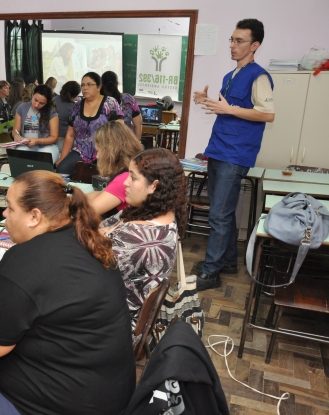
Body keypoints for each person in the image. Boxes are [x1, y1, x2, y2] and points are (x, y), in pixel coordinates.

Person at [0, 170, 135, 415]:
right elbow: (46, 286)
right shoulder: (86, 238)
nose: (5, 215)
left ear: (34, 216)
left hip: (67, 401)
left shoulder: (24, 259)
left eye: (10, 208)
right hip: (110, 388)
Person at [191, 18, 274, 291]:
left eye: (239, 41)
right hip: (218, 149)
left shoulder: (259, 75)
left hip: (236, 154)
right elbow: (226, 109)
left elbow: (267, 114)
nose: (232, 45)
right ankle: (227, 262)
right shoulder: (230, 76)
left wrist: (229, 110)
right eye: (231, 39)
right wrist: (205, 101)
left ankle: (211, 271)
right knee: (222, 212)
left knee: (219, 214)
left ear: (255, 45)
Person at [100, 148, 187, 345]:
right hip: (118, 310)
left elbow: (88, 268)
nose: (125, 182)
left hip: (114, 327)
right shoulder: (154, 212)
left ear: (153, 186)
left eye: (133, 177)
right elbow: (100, 229)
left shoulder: (136, 238)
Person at [56, 72, 123, 177]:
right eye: (82, 85)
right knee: (62, 169)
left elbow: (119, 131)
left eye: (89, 84)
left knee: (104, 176)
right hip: (81, 151)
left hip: (106, 152)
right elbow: (70, 135)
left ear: (99, 87)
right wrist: (62, 158)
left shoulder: (110, 103)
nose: (85, 88)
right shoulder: (77, 106)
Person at [87, 121, 142, 216]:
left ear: (110, 152)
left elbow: (87, 213)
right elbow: (101, 193)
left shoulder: (123, 180)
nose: (97, 156)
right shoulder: (128, 172)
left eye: (99, 151)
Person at [12, 84, 60, 163]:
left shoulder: (51, 111)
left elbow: (54, 137)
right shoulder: (22, 108)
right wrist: (16, 136)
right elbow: (15, 130)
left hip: (47, 146)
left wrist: (37, 141)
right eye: (35, 100)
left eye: (41, 103)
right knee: (20, 158)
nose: (36, 105)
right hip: (26, 145)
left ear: (47, 102)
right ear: (32, 94)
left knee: (44, 159)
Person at [102, 70, 142, 139]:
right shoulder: (128, 99)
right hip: (126, 143)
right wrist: (137, 144)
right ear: (117, 84)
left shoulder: (98, 101)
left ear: (100, 85)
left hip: (104, 143)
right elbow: (138, 124)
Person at [52, 80, 80, 154]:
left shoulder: (52, 101)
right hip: (62, 143)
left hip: (48, 141)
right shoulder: (74, 107)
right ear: (75, 95)